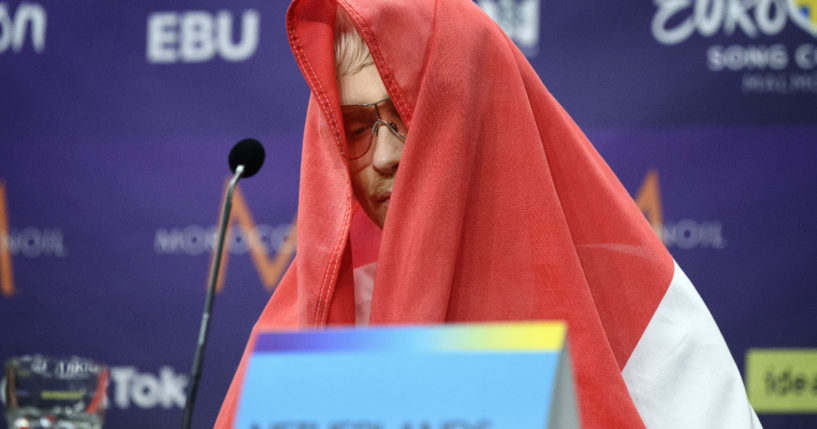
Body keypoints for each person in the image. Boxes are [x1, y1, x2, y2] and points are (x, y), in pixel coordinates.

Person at [215, 0, 761, 427]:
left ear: (478, 115)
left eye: (410, 118)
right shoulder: (310, 318)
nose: (384, 156)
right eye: (357, 128)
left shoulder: (634, 306)